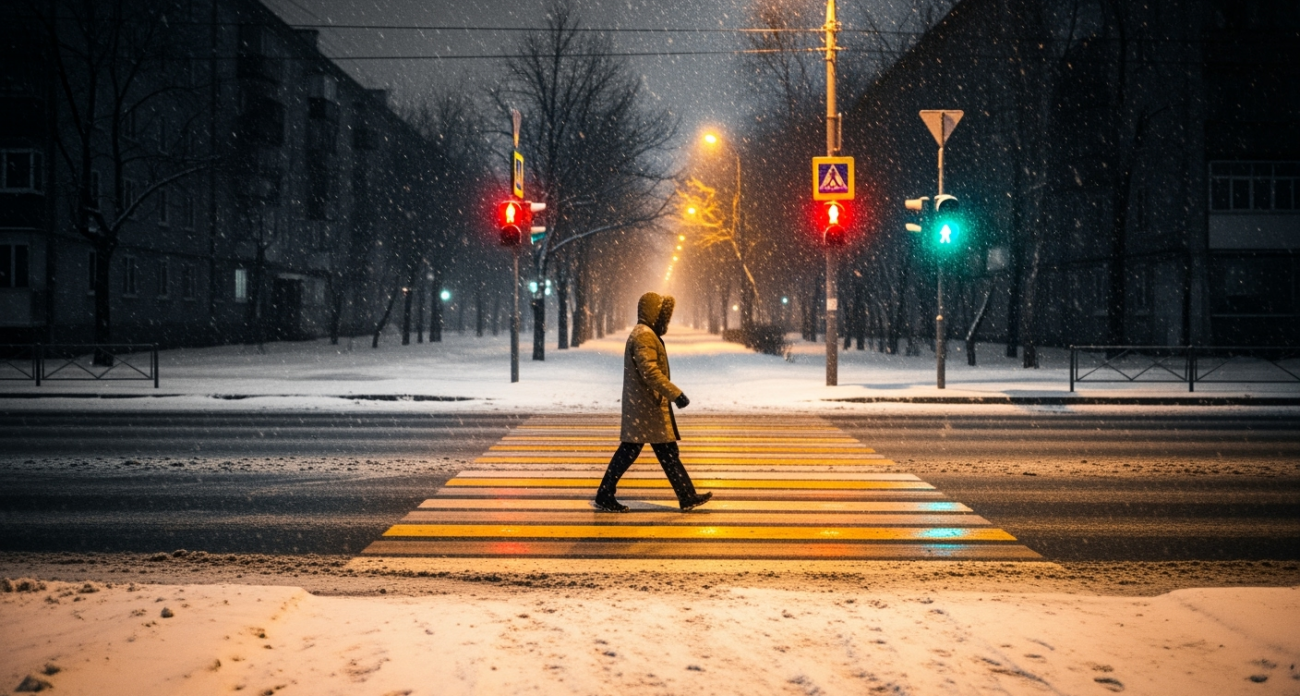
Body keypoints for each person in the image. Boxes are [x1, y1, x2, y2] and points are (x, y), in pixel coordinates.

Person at [593, 292, 713, 513]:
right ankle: (605, 494)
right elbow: (650, 372)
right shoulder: (644, 336)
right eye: (661, 314)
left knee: (665, 452)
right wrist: (675, 394)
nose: (663, 320)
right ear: (653, 312)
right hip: (646, 407)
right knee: (632, 451)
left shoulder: (645, 333)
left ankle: (686, 496)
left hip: (647, 406)